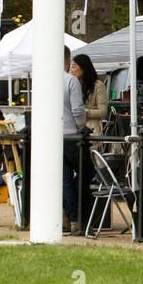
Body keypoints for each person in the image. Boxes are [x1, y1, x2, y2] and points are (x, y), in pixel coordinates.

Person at [62, 44, 87, 231]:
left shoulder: (44, 79)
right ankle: (79, 217)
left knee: (64, 179)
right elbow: (77, 109)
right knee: (87, 172)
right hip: (70, 133)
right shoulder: (70, 81)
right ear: (68, 59)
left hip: (51, 135)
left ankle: (69, 217)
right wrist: (81, 125)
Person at [74, 54, 107, 136]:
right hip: (72, 129)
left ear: (83, 68)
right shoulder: (72, 84)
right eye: (71, 67)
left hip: (91, 130)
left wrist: (84, 112)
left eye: (74, 67)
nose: (71, 70)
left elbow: (103, 112)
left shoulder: (97, 85)